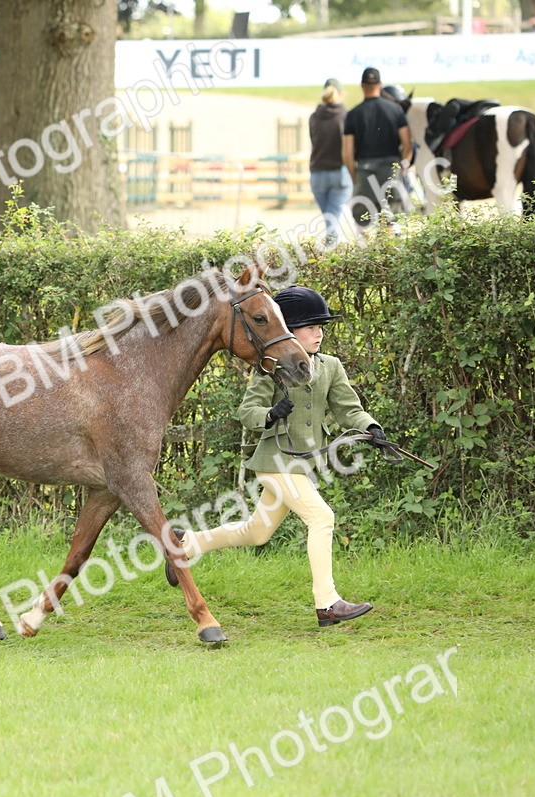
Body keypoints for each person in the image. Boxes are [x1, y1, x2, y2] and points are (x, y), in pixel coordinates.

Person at [166, 286, 384, 627]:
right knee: (322, 518)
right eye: (310, 327)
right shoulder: (272, 367)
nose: (318, 333)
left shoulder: (331, 366)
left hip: (303, 465)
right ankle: (327, 604)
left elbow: (348, 409)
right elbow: (247, 411)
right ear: (290, 330)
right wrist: (270, 414)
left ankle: (186, 544)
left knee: (257, 532)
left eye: (320, 327)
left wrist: (371, 427)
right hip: (276, 462)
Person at [343, 67, 412, 232]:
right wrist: (402, 167)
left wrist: (354, 176)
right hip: (391, 171)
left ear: (362, 85)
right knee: (390, 223)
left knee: (363, 224)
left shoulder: (353, 114)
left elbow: (347, 152)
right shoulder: (395, 110)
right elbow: (407, 143)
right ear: (380, 85)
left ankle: (368, 249)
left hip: (365, 173)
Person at [308, 78, 352, 246]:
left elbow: (313, 140)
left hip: (317, 173)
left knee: (329, 217)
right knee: (333, 217)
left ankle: (331, 245)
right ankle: (331, 247)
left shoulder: (314, 117)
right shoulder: (346, 116)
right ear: (341, 93)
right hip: (339, 172)